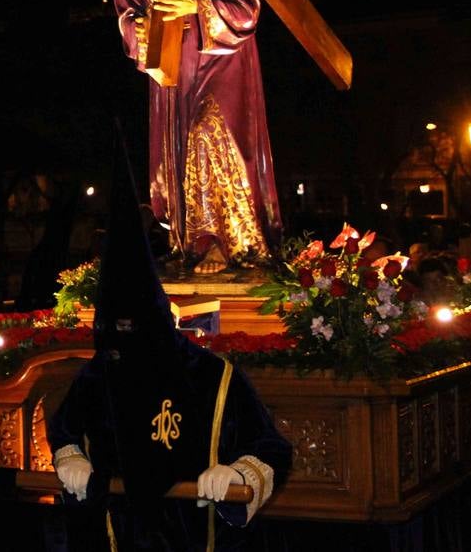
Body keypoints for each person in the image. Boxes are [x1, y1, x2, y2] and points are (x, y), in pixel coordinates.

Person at [47, 138, 291, 550]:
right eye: (111, 328)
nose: (120, 339)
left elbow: (270, 446)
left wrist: (238, 473)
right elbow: (66, 427)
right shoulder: (98, 372)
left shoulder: (213, 376)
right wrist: (69, 454)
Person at [93, 0, 280, 274]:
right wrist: (137, 29)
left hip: (222, 55)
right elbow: (125, 16)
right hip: (174, 64)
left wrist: (196, 5)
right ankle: (190, 242)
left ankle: (230, 241)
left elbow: (246, 6)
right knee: (177, 145)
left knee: (207, 133)